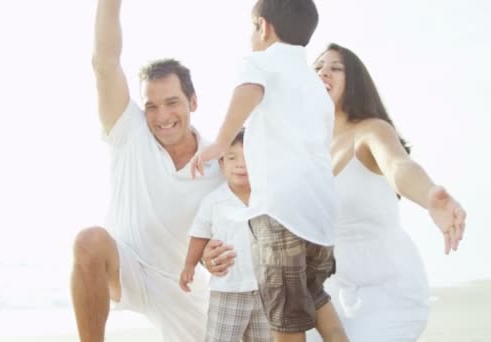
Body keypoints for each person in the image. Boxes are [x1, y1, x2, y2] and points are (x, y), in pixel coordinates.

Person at [191, 1, 348, 341]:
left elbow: (249, 90)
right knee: (316, 297)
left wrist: (220, 142)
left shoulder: (258, 62)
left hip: (281, 213)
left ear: (263, 27)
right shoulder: (314, 85)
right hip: (321, 220)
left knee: (285, 319)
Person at [72, 1, 227, 341]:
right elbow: (104, 64)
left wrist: (216, 256)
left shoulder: (220, 161)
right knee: (90, 241)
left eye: (172, 102)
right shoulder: (130, 130)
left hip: (182, 287)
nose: (161, 116)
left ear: (193, 102)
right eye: (152, 106)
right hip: (127, 266)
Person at [304, 43, 467, 341]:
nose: (323, 72)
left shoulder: (371, 130)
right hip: (330, 293)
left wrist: (429, 195)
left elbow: (398, 165)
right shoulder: (308, 150)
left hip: (388, 290)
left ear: (354, 82)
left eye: (335, 67)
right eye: (317, 67)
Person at [180, 129, 273, 342]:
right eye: (232, 158)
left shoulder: (268, 201)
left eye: (250, 157)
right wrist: (189, 265)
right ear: (221, 164)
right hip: (227, 290)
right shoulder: (213, 201)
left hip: (266, 292)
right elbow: (199, 234)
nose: (241, 164)